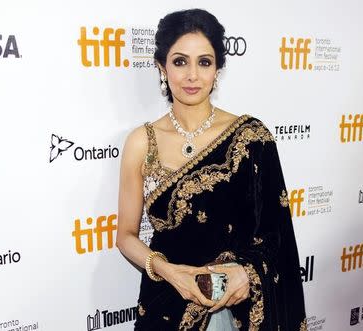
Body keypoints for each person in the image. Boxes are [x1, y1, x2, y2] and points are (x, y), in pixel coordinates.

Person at [116, 8, 307, 331]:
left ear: (218, 69)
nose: (192, 75)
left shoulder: (251, 137)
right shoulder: (141, 142)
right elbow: (125, 236)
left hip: (237, 305)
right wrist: (170, 272)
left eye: (204, 62)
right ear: (161, 66)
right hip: (166, 301)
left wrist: (244, 273)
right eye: (180, 61)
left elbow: (276, 235)